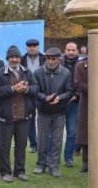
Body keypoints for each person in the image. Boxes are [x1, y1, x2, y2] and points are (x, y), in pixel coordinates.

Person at [0, 45, 38, 183]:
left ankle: (20, 171)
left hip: (24, 115)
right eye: (12, 57)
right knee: (4, 146)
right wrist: (13, 88)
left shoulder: (28, 72)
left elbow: (35, 89)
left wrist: (26, 89)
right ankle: (5, 172)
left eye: (17, 57)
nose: (15, 59)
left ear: (20, 58)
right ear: (8, 58)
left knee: (21, 145)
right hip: (6, 116)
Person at [33, 47, 74, 178]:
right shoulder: (38, 72)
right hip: (43, 111)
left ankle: (54, 166)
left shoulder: (66, 73)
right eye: (49, 59)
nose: (51, 62)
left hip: (59, 112)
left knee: (57, 140)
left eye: (54, 59)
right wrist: (45, 98)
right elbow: (34, 91)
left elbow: (69, 91)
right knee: (42, 140)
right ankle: (40, 164)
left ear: (59, 59)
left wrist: (59, 98)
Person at [21, 38, 46, 153]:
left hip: (42, 91)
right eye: (30, 46)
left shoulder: (45, 58)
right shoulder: (21, 59)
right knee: (30, 119)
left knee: (43, 118)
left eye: (34, 45)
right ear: (26, 47)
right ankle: (33, 144)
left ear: (38, 47)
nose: (32, 47)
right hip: (28, 92)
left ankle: (44, 143)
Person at [61, 42, 80, 168]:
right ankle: (52, 158)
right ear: (65, 51)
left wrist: (76, 95)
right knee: (54, 132)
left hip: (75, 102)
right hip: (59, 102)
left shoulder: (82, 65)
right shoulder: (59, 63)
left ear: (77, 51)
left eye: (73, 50)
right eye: (69, 50)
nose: (71, 52)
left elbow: (85, 81)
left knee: (72, 132)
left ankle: (69, 158)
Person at [74, 59, 89, 173]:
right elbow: (78, 83)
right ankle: (86, 163)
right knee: (85, 134)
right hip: (86, 103)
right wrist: (97, 91)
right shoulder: (80, 66)